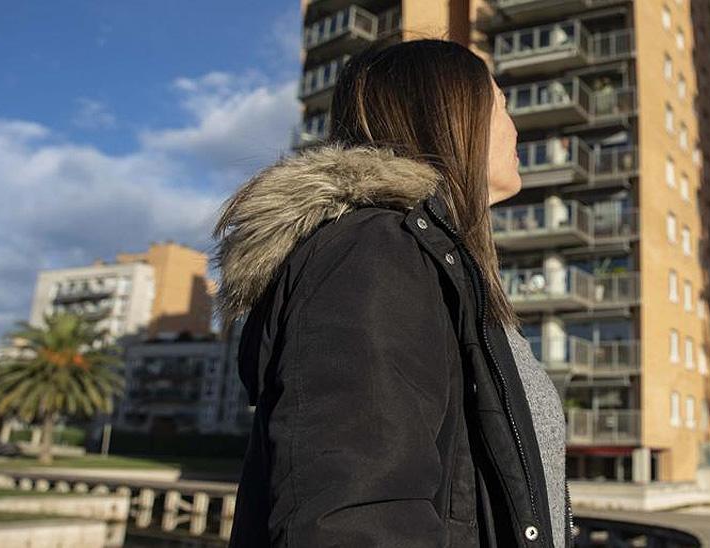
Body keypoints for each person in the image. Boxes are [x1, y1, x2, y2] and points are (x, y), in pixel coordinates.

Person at [212, 39, 572, 547]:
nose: (516, 126)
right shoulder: (375, 251)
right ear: (449, 114)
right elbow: (357, 514)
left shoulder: (437, 266)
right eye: (501, 104)